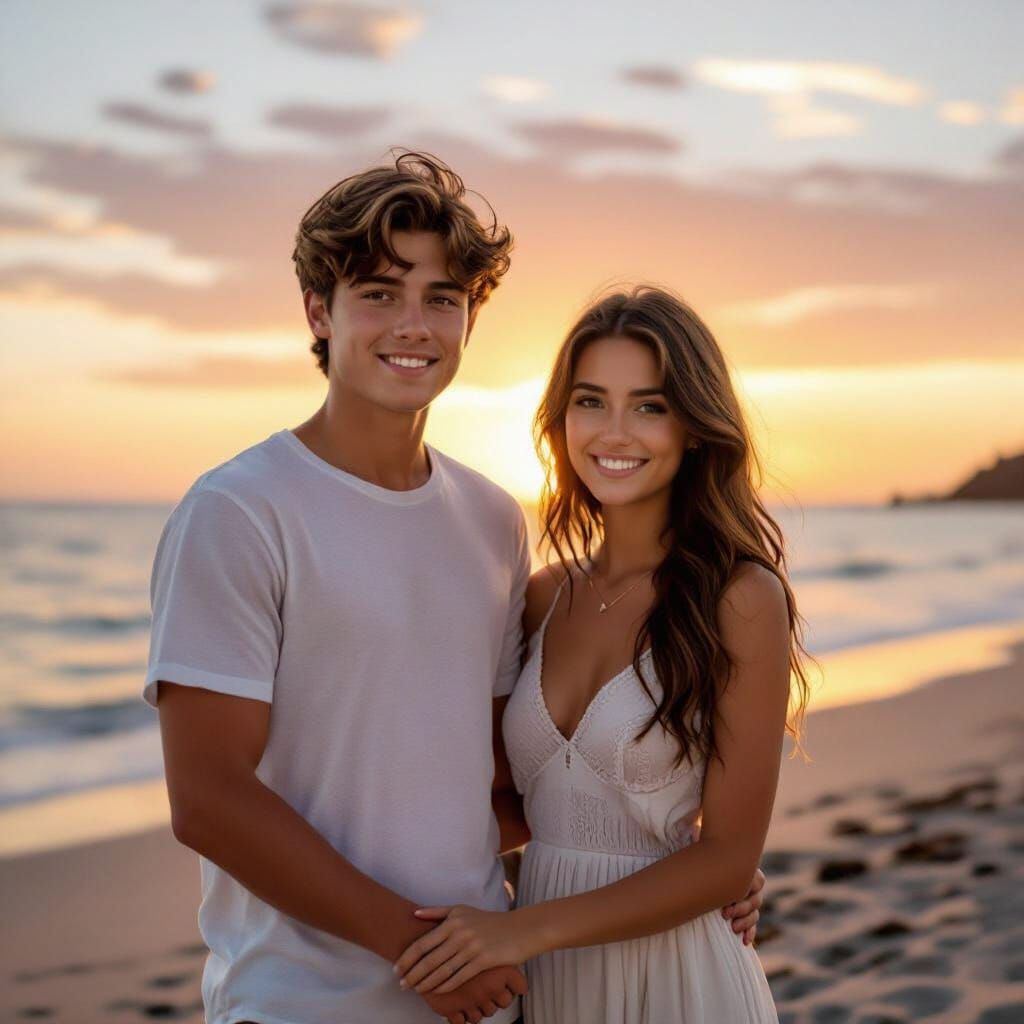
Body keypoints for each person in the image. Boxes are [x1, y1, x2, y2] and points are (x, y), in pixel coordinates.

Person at [145, 153, 767, 1024]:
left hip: (490, 996)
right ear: (318, 310)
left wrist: (696, 860)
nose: (414, 325)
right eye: (380, 292)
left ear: (470, 318)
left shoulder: (489, 520)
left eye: (442, 298)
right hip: (306, 1001)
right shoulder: (240, 511)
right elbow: (209, 801)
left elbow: (502, 786)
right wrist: (417, 952)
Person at [395, 286, 812, 1023]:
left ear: (694, 427)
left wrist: (518, 931)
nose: (614, 432)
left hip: (677, 976)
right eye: (591, 401)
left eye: (649, 407)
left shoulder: (740, 598)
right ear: (562, 419)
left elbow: (727, 861)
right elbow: (505, 804)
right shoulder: (542, 596)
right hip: (549, 978)